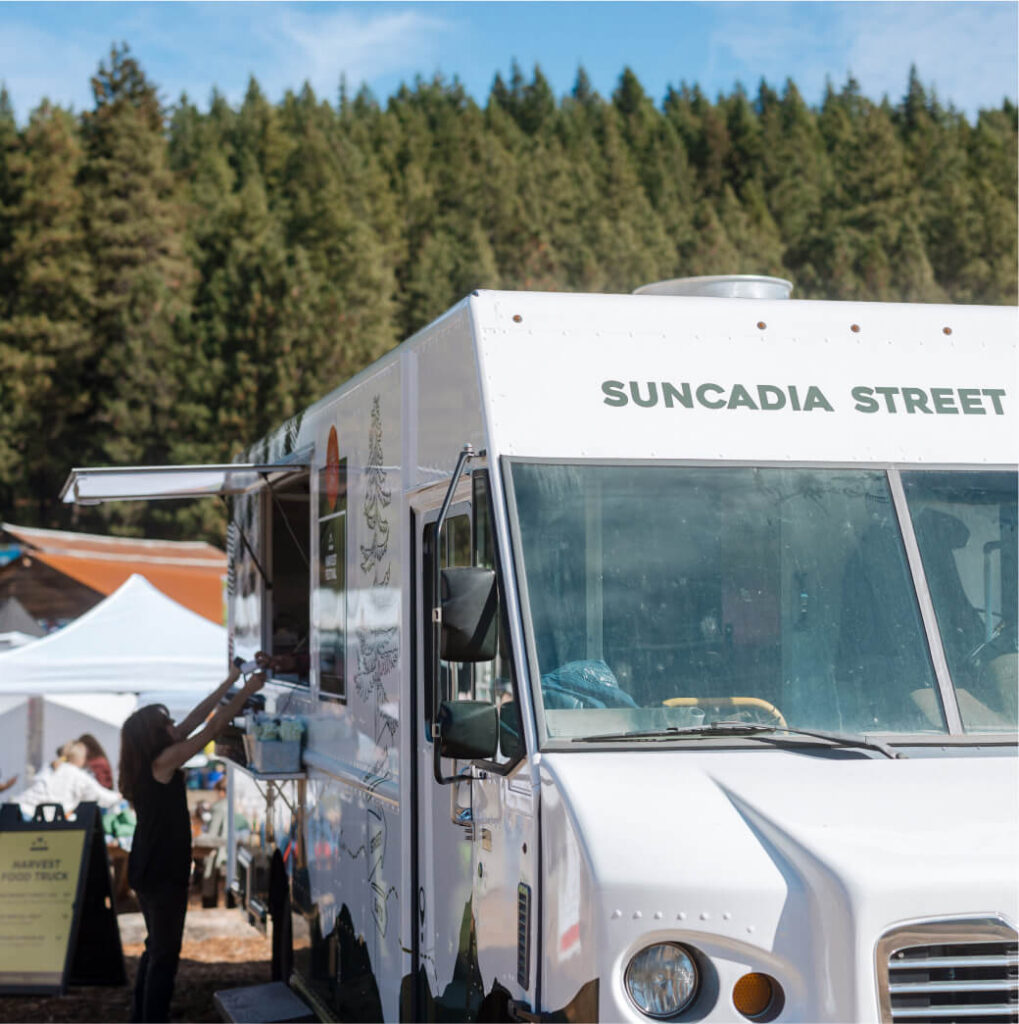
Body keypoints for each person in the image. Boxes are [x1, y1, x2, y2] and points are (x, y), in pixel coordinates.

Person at [119, 663, 265, 1023]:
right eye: (167, 723)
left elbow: (200, 716)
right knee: (165, 955)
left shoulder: (149, 759)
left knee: (156, 950)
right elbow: (213, 727)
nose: (175, 725)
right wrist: (249, 691)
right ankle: (153, 1018)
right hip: (161, 870)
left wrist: (231, 681)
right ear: (155, 735)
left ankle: (142, 1016)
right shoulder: (164, 761)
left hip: (147, 865)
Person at [12, 741, 121, 818]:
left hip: (16, 812)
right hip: (36, 818)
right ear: (81, 758)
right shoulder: (77, 775)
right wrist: (119, 796)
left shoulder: (51, 766)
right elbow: (101, 796)